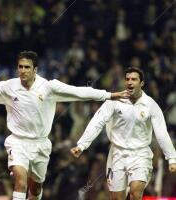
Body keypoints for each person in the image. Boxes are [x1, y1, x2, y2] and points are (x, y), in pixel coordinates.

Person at [0, 51, 128, 200]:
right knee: (20, 180)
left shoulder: (49, 87)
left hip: (40, 145)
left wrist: (109, 95)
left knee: (36, 187)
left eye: (26, 67)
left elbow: (79, 92)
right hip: (17, 142)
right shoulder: (9, 86)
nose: (22, 71)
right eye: (20, 66)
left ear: (35, 69)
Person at [70, 67, 176, 200]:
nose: (130, 82)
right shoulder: (114, 101)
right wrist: (82, 145)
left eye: (134, 79)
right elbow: (97, 122)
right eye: (127, 79)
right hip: (117, 154)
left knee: (135, 193)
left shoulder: (151, 105)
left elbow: (161, 133)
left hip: (140, 154)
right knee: (117, 198)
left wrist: (171, 158)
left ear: (141, 83)